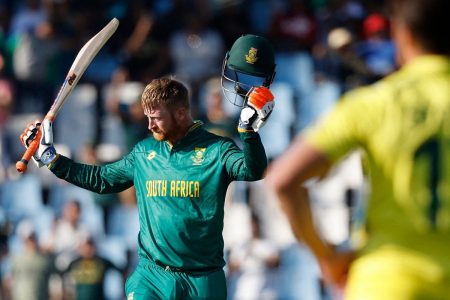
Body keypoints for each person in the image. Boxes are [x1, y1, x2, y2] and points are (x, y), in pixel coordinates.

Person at [20, 34, 277, 299]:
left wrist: (249, 133)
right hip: (152, 276)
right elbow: (102, 179)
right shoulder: (144, 152)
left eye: (156, 119)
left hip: (203, 278)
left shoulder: (217, 149)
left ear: (180, 114)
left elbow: (253, 170)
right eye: (148, 118)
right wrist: (52, 159)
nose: (150, 126)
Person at [265, 0, 450, 299]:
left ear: (403, 34)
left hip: (387, 281)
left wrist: (327, 257)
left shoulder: (377, 102)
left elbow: (284, 179)